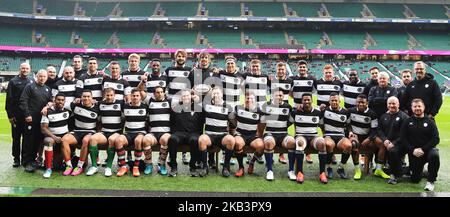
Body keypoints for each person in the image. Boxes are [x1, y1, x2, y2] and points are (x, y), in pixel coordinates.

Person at [401, 99, 440, 191]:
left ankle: (431, 180)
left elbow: (436, 139)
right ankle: (423, 172)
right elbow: (403, 138)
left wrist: (423, 149)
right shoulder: (407, 121)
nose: (417, 108)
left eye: (419, 106)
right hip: (414, 152)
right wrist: (412, 150)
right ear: (411, 108)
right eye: (415, 106)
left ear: (423, 107)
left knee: (434, 155)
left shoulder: (430, 121)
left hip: (427, 150)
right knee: (415, 179)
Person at [19, 69, 53, 173]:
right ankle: (27, 162)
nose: (42, 78)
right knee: (29, 141)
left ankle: (34, 160)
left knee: (38, 141)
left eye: (44, 76)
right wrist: (27, 114)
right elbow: (23, 100)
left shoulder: (47, 89)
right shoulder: (30, 87)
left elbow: (51, 101)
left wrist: (47, 106)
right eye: (40, 76)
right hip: (31, 119)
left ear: (47, 77)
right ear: (36, 76)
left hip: (41, 120)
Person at [347, 94, 387, 180]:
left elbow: (374, 129)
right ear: (356, 102)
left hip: (368, 136)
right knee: (354, 144)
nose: (361, 104)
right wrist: (350, 131)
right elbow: (348, 124)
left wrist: (369, 139)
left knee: (382, 144)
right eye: (359, 102)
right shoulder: (350, 111)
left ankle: (379, 169)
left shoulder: (372, 114)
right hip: (355, 135)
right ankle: (357, 170)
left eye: (363, 102)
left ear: (367, 103)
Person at [60, 89, 100, 176]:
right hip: (77, 132)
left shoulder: (98, 107)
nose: (86, 98)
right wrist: (47, 106)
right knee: (64, 140)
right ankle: (69, 166)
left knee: (86, 140)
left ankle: (80, 166)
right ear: (81, 97)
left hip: (90, 132)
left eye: (88, 96)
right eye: (84, 96)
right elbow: (59, 103)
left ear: (92, 98)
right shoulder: (75, 106)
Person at [198, 87, 235, 177]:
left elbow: (233, 123)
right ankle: (205, 167)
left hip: (222, 136)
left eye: (218, 93)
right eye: (214, 93)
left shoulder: (227, 106)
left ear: (222, 95)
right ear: (211, 95)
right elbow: (200, 119)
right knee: (201, 140)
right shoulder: (206, 106)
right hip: (209, 135)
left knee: (231, 140)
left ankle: (226, 167)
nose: (216, 95)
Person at [86, 88, 123, 177]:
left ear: (114, 95)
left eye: (111, 95)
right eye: (107, 95)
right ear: (104, 95)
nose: (109, 97)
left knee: (111, 139)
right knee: (93, 139)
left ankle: (108, 167)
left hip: (116, 132)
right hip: (104, 131)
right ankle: (94, 166)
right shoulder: (100, 104)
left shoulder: (121, 103)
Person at [167, 89, 205, 177]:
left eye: (187, 95)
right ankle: (174, 166)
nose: (186, 97)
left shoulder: (197, 107)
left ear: (191, 96)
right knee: (172, 138)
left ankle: (192, 166)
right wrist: (174, 132)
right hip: (179, 133)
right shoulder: (176, 108)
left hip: (193, 133)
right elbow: (171, 122)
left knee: (195, 140)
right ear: (181, 97)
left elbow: (202, 121)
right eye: (184, 96)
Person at [292, 93, 328, 184]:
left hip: (313, 136)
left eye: (308, 100)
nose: (306, 101)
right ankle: (300, 172)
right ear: (301, 101)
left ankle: (322, 173)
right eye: (304, 100)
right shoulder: (296, 112)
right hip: (300, 135)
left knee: (322, 144)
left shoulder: (318, 113)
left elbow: (322, 126)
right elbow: (288, 123)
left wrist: (324, 136)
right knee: (300, 143)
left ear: (312, 101)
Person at [260, 89, 295, 181]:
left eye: (280, 95)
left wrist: (282, 125)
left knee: (292, 142)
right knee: (269, 143)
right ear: (272, 96)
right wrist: (260, 135)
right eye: (276, 95)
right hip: (270, 133)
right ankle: (269, 171)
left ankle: (291, 170)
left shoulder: (288, 106)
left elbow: (291, 120)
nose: (278, 97)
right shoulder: (266, 105)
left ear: (283, 97)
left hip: (283, 134)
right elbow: (262, 122)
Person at [165, 49, 192, 165]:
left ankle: (184, 154)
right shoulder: (168, 70)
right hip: (173, 103)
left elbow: (192, 87)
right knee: (172, 127)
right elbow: (164, 85)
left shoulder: (190, 70)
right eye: (178, 56)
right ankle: (172, 154)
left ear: (185, 58)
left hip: (185, 102)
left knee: (184, 127)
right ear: (175, 57)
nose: (180, 58)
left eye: (182, 56)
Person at [229, 91, 264, 177]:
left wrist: (259, 135)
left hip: (252, 136)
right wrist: (233, 133)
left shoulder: (259, 111)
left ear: (255, 100)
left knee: (261, 146)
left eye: (252, 98)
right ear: (244, 99)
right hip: (241, 134)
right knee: (237, 143)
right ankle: (241, 167)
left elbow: (262, 124)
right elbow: (231, 121)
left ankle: (252, 162)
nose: (249, 100)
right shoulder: (238, 108)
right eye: (248, 98)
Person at [114, 89, 148, 177]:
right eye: (133, 96)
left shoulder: (145, 107)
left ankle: (136, 167)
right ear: (131, 97)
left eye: (137, 96)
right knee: (118, 141)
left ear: (140, 97)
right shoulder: (125, 106)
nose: (135, 97)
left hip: (141, 132)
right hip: (128, 132)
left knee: (138, 140)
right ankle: (123, 166)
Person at [5, 62, 34, 167]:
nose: (25, 70)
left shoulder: (32, 81)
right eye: (23, 68)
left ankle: (25, 159)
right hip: (16, 116)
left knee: (27, 139)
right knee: (16, 138)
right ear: (20, 69)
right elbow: (9, 99)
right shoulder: (13, 81)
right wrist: (10, 115)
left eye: (27, 68)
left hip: (27, 115)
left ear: (30, 70)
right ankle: (16, 159)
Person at [140, 86, 172, 176]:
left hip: (165, 132)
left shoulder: (169, 102)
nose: (160, 94)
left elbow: (183, 101)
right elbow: (140, 90)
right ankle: (149, 164)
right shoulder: (150, 101)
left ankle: (161, 164)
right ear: (154, 94)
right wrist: (142, 81)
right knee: (145, 140)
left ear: (164, 93)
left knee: (165, 140)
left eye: (162, 92)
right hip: (153, 133)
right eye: (157, 92)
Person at [319, 92, 352, 180]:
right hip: (329, 135)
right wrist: (324, 134)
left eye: (336, 100)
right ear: (329, 101)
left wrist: (350, 132)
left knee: (348, 146)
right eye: (332, 100)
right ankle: (328, 167)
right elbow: (321, 124)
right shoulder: (324, 111)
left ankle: (341, 167)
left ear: (339, 101)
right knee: (329, 145)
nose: (334, 102)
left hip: (341, 136)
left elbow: (348, 125)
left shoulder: (345, 112)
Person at [290, 60, 316, 164]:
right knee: (298, 130)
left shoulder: (312, 79)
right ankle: (300, 148)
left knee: (309, 128)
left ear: (307, 68)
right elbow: (290, 92)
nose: (302, 69)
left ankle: (308, 154)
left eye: (304, 67)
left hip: (308, 108)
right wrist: (298, 102)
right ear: (297, 68)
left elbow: (314, 91)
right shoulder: (293, 79)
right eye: (300, 67)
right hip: (297, 108)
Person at [379, 96, 409, 184]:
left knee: (393, 151)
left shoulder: (404, 117)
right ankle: (395, 170)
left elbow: (405, 134)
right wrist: (385, 140)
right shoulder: (384, 116)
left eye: (394, 104)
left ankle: (394, 175)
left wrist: (394, 143)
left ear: (398, 104)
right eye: (390, 104)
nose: (392, 105)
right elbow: (379, 130)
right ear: (387, 105)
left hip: (401, 144)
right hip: (387, 142)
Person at [40, 93, 71, 178]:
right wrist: (54, 137)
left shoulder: (68, 110)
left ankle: (68, 161)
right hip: (53, 138)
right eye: (58, 100)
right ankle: (48, 169)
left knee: (57, 166)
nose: (60, 102)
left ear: (65, 102)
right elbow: (43, 128)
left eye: (62, 100)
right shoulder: (47, 112)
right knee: (48, 141)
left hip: (63, 139)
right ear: (54, 100)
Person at [269, 62, 293, 164]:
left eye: (282, 69)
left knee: (283, 129)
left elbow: (292, 93)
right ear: (276, 70)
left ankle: (281, 155)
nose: (281, 71)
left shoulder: (290, 81)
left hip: (285, 108)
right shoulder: (270, 80)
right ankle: (269, 152)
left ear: (285, 70)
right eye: (279, 69)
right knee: (271, 128)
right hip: (272, 107)